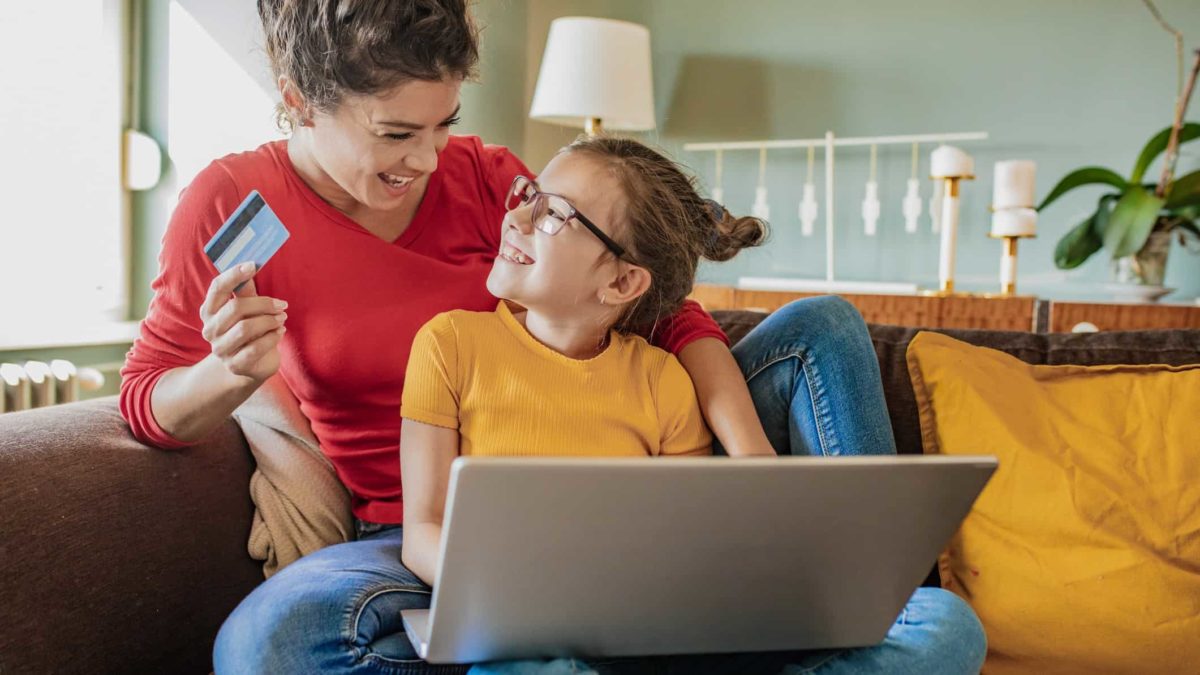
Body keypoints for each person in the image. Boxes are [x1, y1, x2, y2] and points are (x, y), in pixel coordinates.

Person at [115, 1, 983, 672]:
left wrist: (749, 464)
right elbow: (147, 401)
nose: (429, 158)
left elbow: (659, 307)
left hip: (628, 498)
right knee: (267, 645)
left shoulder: (496, 183)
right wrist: (227, 375)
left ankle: (871, 601)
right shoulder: (232, 204)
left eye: (445, 122)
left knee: (821, 329)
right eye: (395, 133)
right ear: (299, 103)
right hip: (420, 532)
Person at [399, 136, 986, 675]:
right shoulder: (450, 345)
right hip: (528, 636)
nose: (517, 217)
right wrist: (510, 593)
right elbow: (421, 529)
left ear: (625, 284)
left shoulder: (661, 380)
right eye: (529, 195)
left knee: (949, 626)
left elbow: (690, 548)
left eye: (553, 213)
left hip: (652, 637)